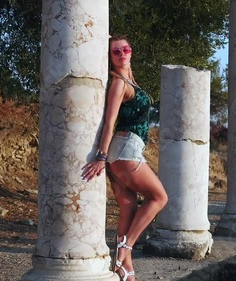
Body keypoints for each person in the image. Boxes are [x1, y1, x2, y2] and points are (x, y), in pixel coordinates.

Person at [82, 35, 168, 281]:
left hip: (126, 150)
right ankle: (125, 248)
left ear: (131, 51)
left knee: (129, 208)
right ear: (109, 57)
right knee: (160, 197)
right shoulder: (119, 83)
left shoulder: (131, 80)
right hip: (125, 148)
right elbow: (110, 122)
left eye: (125, 49)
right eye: (115, 52)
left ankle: (125, 268)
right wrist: (101, 156)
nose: (121, 54)